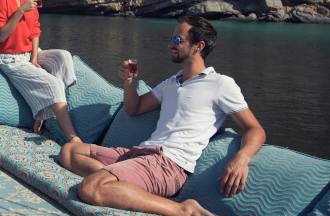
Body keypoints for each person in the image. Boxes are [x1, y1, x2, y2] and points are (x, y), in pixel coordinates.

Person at [58, 16, 266, 216]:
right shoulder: (172, 82)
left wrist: (242, 158)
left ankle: (184, 210)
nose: (170, 44)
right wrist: (129, 81)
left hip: (168, 164)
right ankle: (120, 180)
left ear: (198, 46)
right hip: (141, 153)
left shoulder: (221, 84)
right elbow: (134, 108)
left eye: (177, 40)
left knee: (91, 188)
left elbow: (254, 129)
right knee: (69, 151)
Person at [0, 0, 82, 143]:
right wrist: (21, 10)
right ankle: (73, 137)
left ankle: (46, 112)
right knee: (54, 83)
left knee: (64, 56)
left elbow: (35, 30)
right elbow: (1, 35)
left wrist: (34, 58)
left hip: (29, 54)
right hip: (10, 58)